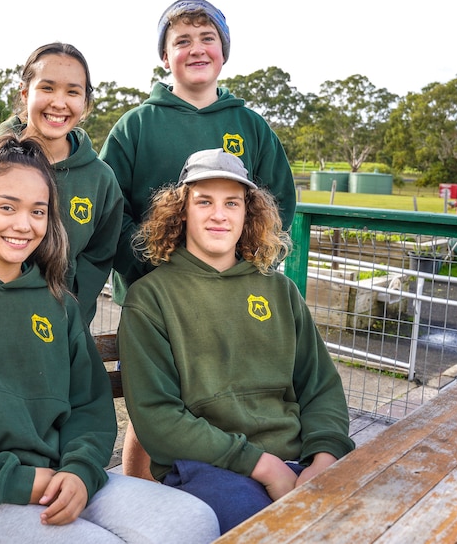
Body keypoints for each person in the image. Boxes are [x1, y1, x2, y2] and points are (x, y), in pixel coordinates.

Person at [0, 135, 220, 544]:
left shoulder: (57, 302)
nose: (23, 224)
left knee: (194, 520)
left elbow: (89, 405)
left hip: (60, 475)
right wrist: (25, 482)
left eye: (37, 211)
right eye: (6, 207)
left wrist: (79, 471)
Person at [100, 0, 297, 478]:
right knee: (153, 407)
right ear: (165, 57)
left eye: (207, 38)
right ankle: (141, 497)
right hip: (159, 293)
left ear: (224, 52)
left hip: (230, 291)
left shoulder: (248, 125)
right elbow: (109, 210)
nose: (196, 49)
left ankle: (224, 479)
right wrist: (152, 266)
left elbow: (277, 204)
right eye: (181, 41)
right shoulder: (137, 125)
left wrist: (246, 265)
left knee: (219, 391)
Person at [117, 149, 354, 535]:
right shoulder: (150, 299)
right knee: (271, 532)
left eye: (232, 202)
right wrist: (264, 466)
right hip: (209, 467)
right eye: (204, 201)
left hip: (300, 459)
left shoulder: (280, 290)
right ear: (182, 212)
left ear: (248, 213)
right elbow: (157, 418)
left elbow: (320, 387)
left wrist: (324, 460)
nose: (219, 214)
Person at [0, 42, 122, 325]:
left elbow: (98, 259)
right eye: (47, 88)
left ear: (85, 103)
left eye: (72, 92)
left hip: (52, 335)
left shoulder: (101, 180)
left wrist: (65, 315)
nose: (58, 102)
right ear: (24, 93)